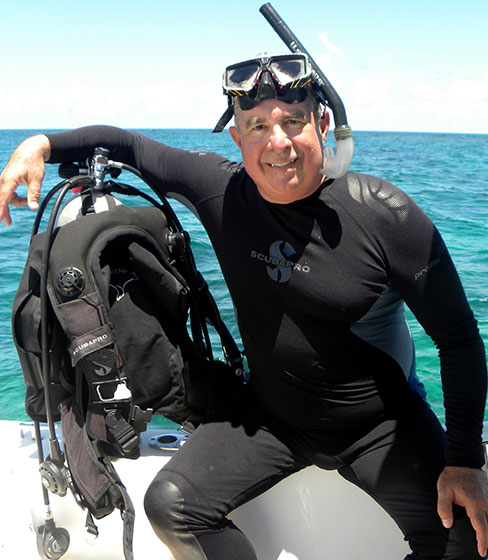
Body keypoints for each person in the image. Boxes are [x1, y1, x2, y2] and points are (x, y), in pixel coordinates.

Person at [1, 53, 488, 560]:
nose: (278, 142)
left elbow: (458, 339)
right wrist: (41, 145)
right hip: (272, 417)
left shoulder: (384, 213)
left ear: (323, 125)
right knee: (170, 505)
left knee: (467, 539)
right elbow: (131, 145)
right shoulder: (222, 190)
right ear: (237, 138)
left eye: (293, 121)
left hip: (381, 424)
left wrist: (464, 461)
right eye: (257, 126)